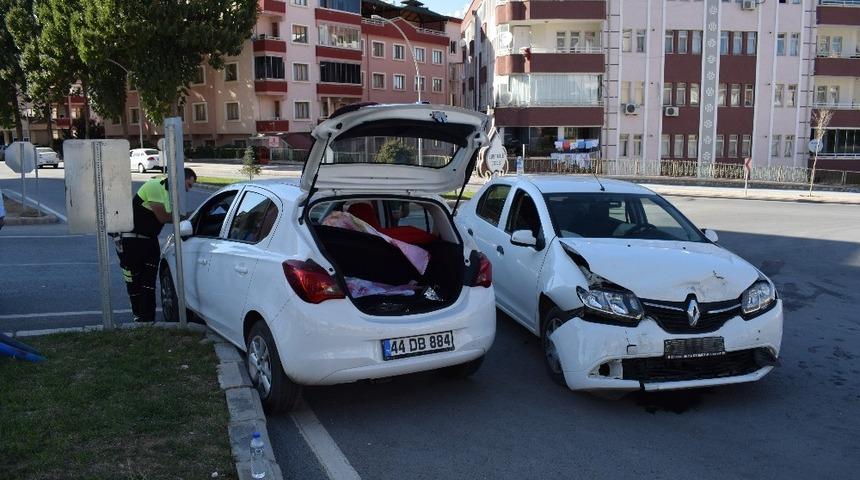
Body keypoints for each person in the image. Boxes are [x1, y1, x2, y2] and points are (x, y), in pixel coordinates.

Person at [114, 168, 196, 322]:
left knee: (149, 284)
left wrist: (184, 216)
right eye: (188, 185)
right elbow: (163, 217)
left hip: (150, 240)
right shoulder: (155, 186)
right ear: (180, 179)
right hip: (132, 241)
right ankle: (139, 318)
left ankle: (147, 320)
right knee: (135, 282)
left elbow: (171, 216)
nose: (187, 189)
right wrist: (186, 216)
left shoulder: (171, 195)